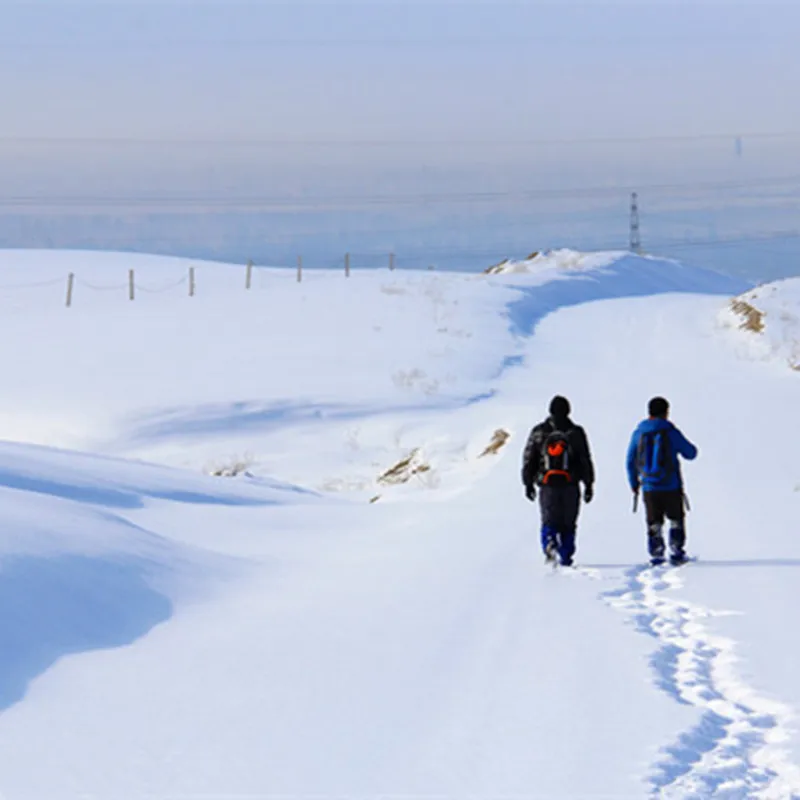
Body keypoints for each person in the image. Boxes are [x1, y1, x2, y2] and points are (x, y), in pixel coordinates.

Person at [521, 396, 595, 567]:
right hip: (570, 484)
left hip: (547, 484)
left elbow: (528, 458)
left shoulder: (539, 431)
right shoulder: (576, 432)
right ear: (568, 411)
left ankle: (549, 543)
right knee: (569, 522)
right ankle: (566, 556)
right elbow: (585, 459)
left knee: (549, 519)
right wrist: (589, 484)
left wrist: (528, 483)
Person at [626, 397, 698, 566]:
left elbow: (630, 460)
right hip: (671, 485)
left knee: (654, 521)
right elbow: (691, 453)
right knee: (676, 519)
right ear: (666, 412)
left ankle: (656, 554)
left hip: (649, 487)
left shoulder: (639, 433)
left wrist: (634, 483)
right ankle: (676, 551)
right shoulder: (670, 431)